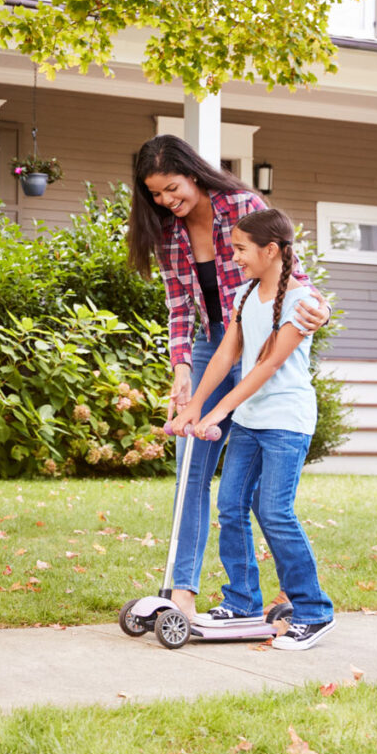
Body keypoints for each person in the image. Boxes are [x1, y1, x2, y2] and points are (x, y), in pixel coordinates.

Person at [127, 134, 328, 619]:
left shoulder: (241, 205)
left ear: (192, 174)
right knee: (193, 470)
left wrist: (316, 305)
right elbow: (179, 306)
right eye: (155, 193)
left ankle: (291, 596)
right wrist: (182, 369)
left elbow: (285, 268)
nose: (165, 201)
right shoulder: (167, 231)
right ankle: (183, 592)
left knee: (262, 496)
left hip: (258, 337)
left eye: (172, 188)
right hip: (211, 346)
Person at [172, 208, 334, 649]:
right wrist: (194, 408)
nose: (235, 256)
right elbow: (226, 355)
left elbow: (267, 365)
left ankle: (314, 611)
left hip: (286, 423)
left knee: (275, 511)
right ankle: (242, 600)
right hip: (250, 422)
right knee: (230, 506)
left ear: (271, 250)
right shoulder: (245, 296)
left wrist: (215, 413)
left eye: (242, 249)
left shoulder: (302, 303)